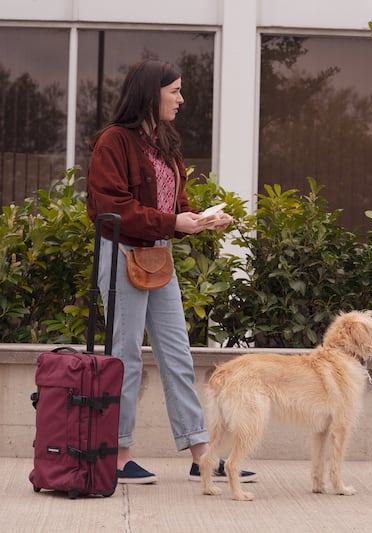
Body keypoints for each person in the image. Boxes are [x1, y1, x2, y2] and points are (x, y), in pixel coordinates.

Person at [86, 59, 256, 485]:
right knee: (124, 356)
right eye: (174, 91)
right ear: (150, 93)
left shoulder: (164, 143)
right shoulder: (113, 142)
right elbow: (111, 207)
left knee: (177, 355)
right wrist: (172, 222)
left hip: (158, 254)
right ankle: (119, 455)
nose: (181, 99)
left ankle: (202, 452)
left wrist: (196, 219)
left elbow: (169, 207)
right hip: (123, 253)